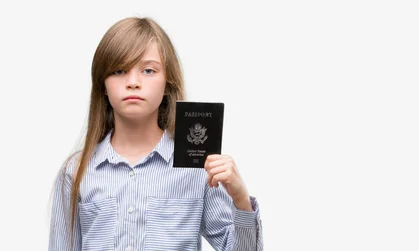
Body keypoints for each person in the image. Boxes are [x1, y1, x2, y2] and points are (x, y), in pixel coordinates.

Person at [48, 16, 263, 251]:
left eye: (148, 70)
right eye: (119, 70)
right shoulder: (75, 172)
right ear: (103, 86)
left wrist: (241, 201)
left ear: (167, 83)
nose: (133, 82)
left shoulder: (197, 169)